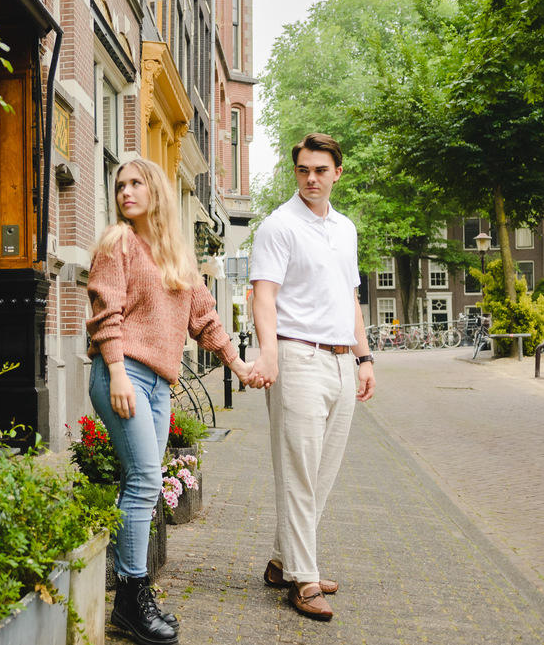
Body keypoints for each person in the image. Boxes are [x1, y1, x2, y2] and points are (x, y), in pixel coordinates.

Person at [86, 158, 253, 645]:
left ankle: (132, 596)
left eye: (136, 183)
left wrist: (238, 366)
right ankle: (131, 599)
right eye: (120, 185)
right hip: (124, 373)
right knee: (143, 480)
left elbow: (204, 319)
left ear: (156, 191)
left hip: (160, 383)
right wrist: (116, 371)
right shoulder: (117, 243)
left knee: (143, 482)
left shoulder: (176, 257)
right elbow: (105, 313)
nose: (126, 191)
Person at [246, 133, 376, 621]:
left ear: (337, 173)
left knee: (323, 473)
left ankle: (284, 562)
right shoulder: (278, 227)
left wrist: (365, 359)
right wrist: (269, 354)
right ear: (295, 172)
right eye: (303, 170)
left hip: (344, 360)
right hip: (297, 357)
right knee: (299, 471)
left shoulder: (346, 228)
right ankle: (304, 579)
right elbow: (263, 295)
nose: (311, 179)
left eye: (321, 170)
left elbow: (352, 299)